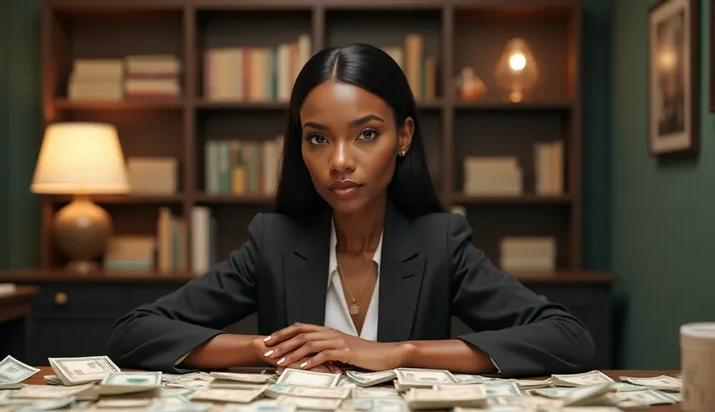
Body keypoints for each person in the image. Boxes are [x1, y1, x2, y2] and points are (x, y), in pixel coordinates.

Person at [105, 43, 595, 378]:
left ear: (403, 137)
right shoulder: (274, 241)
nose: (339, 161)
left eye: (366, 134)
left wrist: (398, 353)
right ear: (300, 147)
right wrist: (268, 350)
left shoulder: (441, 240)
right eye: (318, 138)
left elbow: (568, 339)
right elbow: (134, 332)